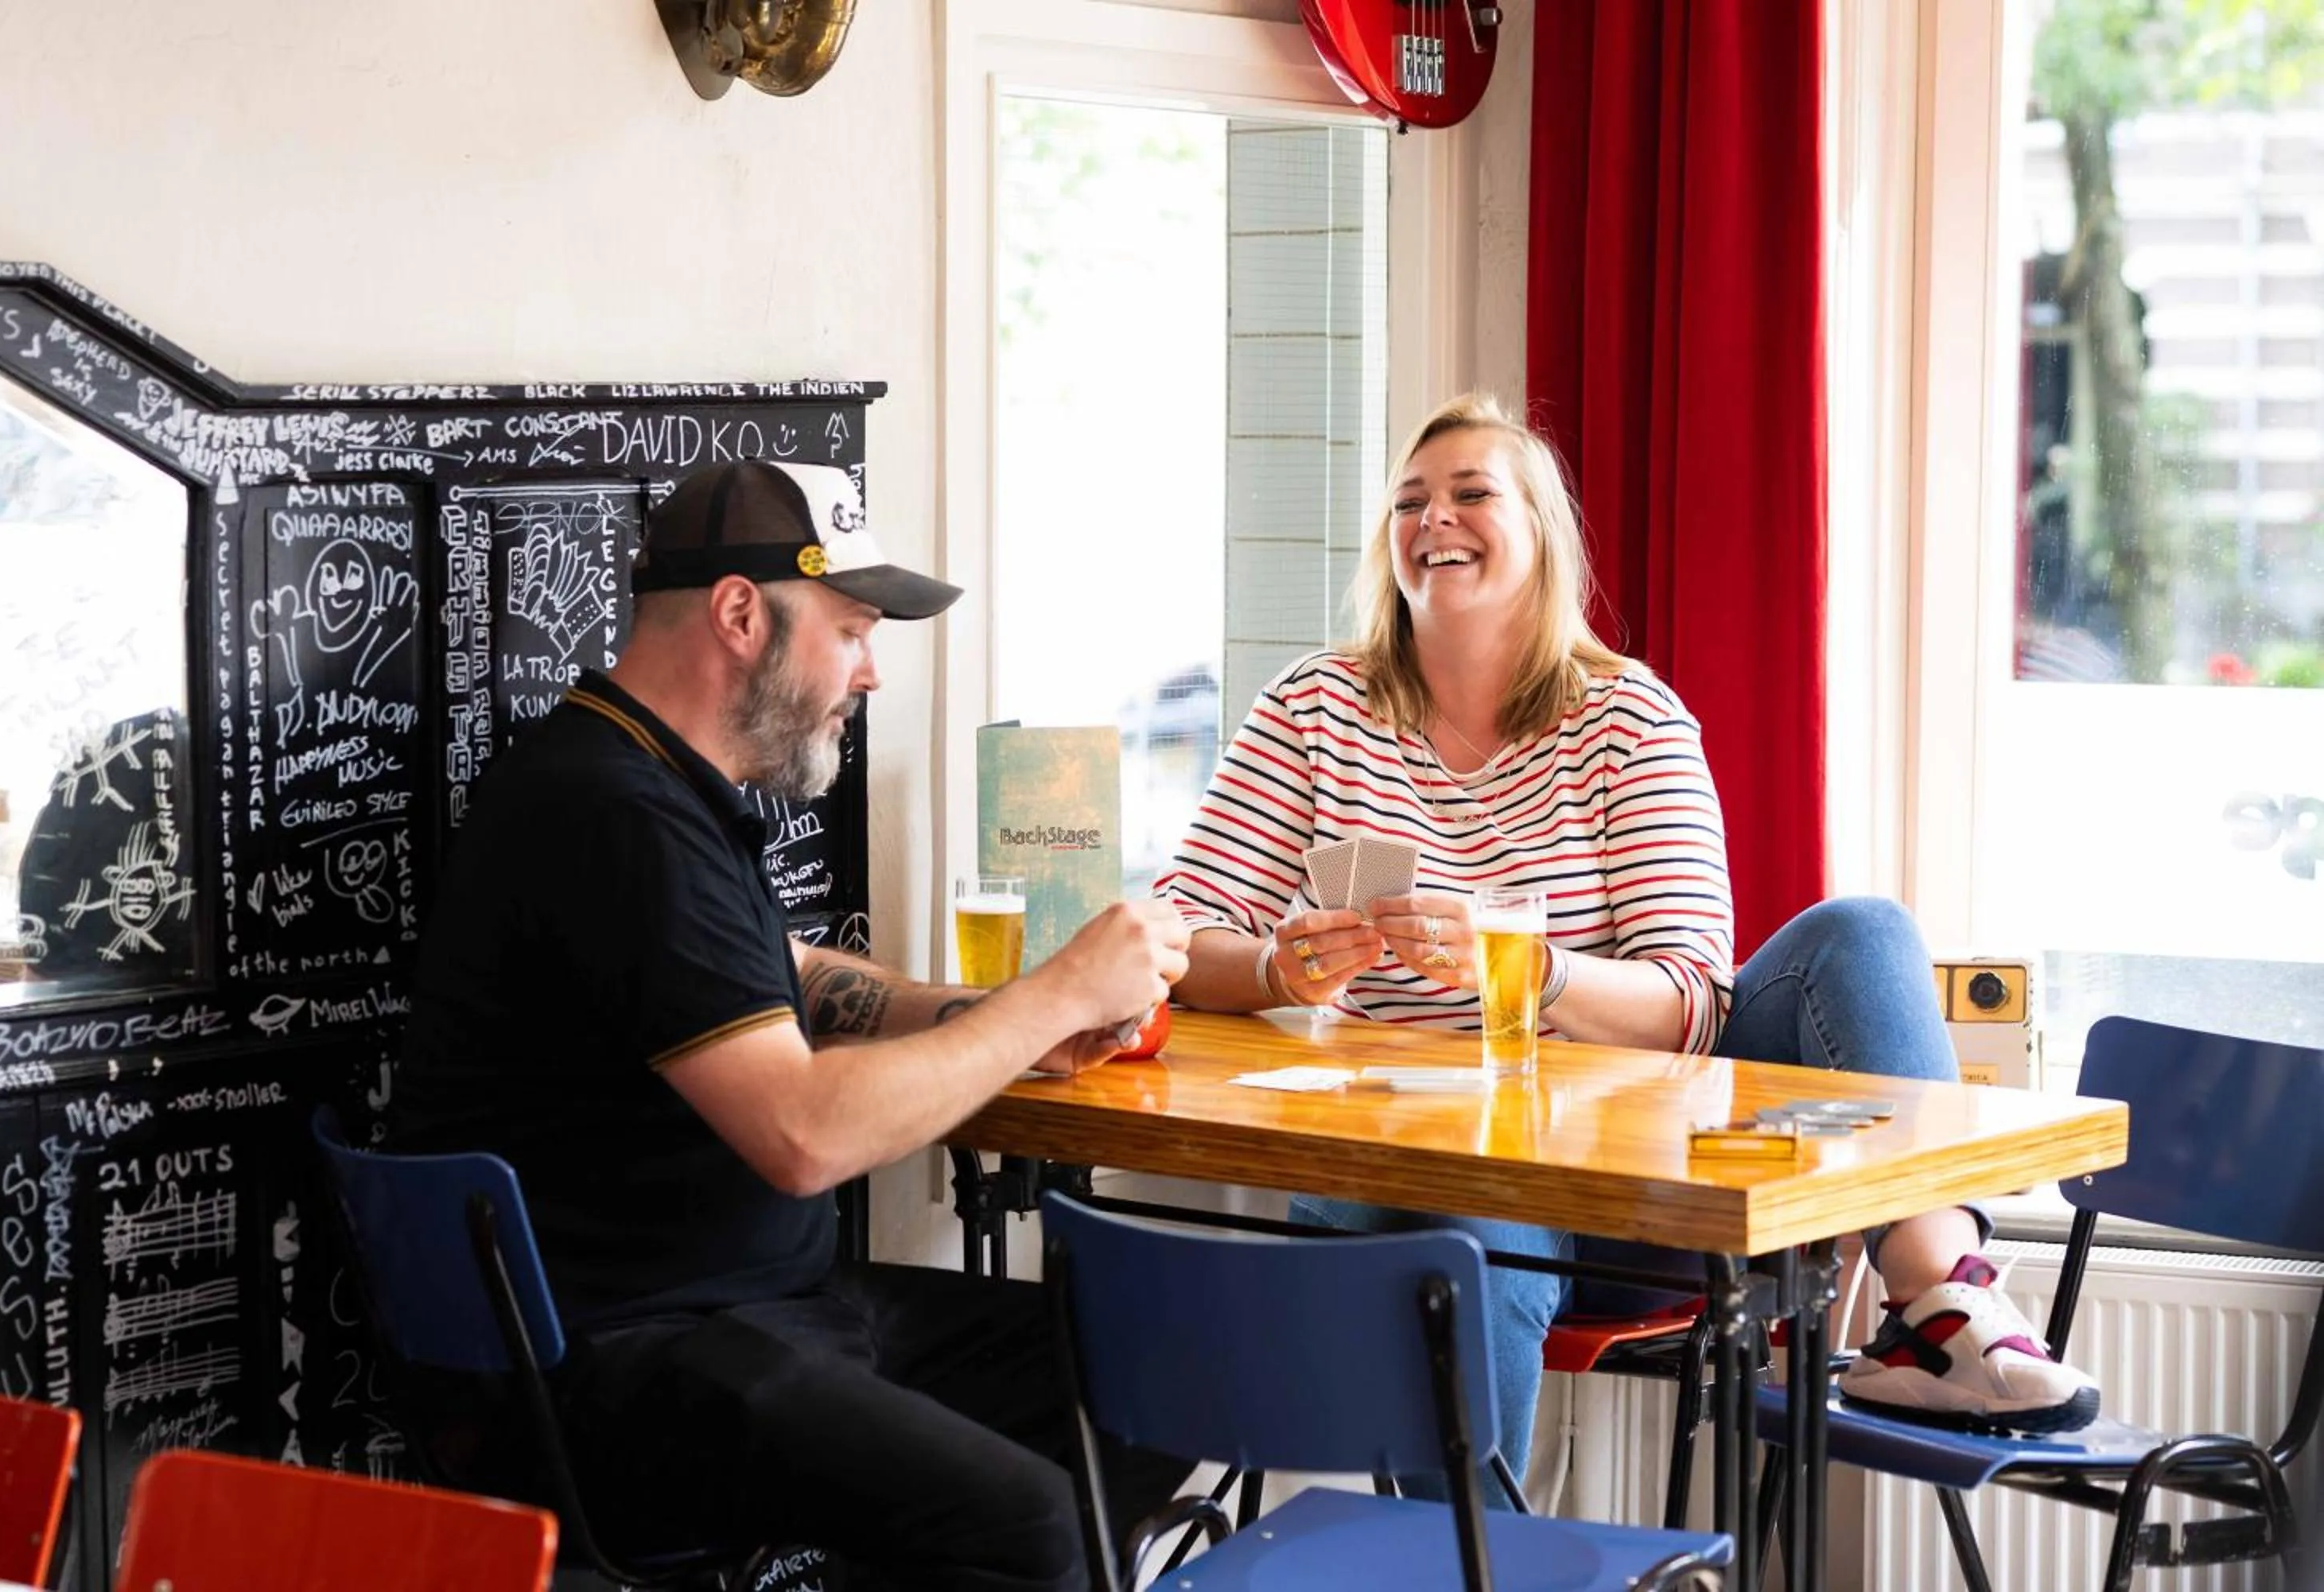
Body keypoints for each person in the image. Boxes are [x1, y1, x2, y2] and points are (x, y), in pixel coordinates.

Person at [1156, 394, 2101, 1490]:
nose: (1433, 519)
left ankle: (1938, 1306)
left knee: (1864, 932)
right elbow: (1179, 934)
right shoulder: (1316, 706)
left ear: (1541, 534)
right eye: (1409, 501)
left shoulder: (1627, 719)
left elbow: (1695, 1002)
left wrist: (1534, 971)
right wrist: (1278, 964)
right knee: (1471, 1186)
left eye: (1471, 494)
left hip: (1622, 1181)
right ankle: (1478, 1556)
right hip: (1409, 1157)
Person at [394, 460, 1190, 1591]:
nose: (869, 672)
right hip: (629, 1369)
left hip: (755, 1315)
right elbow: (803, 1134)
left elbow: (773, 971)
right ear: (737, 612)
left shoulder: (627, 770)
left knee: (1155, 1370)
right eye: (854, 629)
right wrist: (1049, 996)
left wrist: (976, 1015)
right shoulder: (617, 817)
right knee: (1035, 1532)